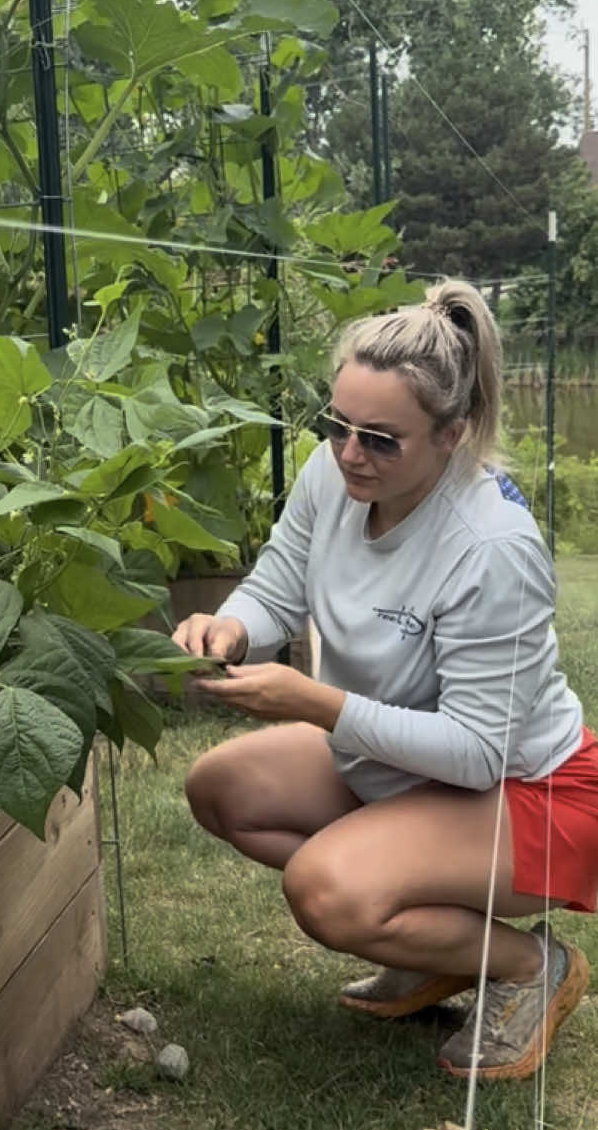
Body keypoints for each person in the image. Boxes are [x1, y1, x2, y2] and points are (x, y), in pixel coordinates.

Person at [172, 280, 596, 1081]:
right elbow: (276, 584)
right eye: (336, 425)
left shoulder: (492, 546)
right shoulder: (333, 474)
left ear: (452, 435)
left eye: (380, 438)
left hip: (523, 788)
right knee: (221, 788)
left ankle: (527, 966)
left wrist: (315, 703)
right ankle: (425, 943)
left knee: (328, 891)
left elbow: (476, 750)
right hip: (405, 763)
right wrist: (233, 625)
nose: (349, 452)